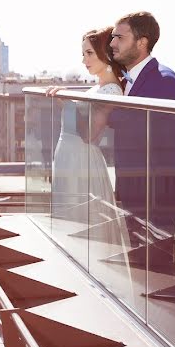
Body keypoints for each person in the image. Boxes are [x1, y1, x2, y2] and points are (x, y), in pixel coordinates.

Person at [108, 11, 175, 268]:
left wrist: (105, 109)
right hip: (138, 191)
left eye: (119, 37)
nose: (112, 43)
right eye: (112, 37)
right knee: (143, 270)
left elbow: (147, 132)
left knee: (158, 270)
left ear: (142, 42)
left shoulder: (163, 81)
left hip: (157, 194)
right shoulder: (131, 80)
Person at [46, 27, 126, 224]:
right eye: (83, 54)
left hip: (81, 161)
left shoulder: (112, 91)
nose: (84, 60)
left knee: (80, 220)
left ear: (106, 54)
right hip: (71, 159)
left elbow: (89, 134)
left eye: (89, 53)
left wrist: (69, 102)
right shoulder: (97, 88)